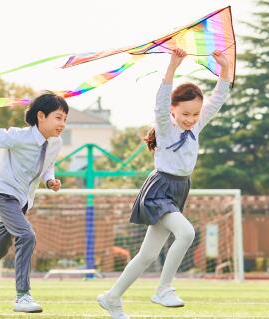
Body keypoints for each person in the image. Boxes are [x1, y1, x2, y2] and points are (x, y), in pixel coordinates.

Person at [97, 48, 231, 319]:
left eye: (195, 114)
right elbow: (160, 100)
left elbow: (217, 99)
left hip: (179, 189)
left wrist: (225, 69)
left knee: (147, 255)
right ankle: (164, 288)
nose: (190, 119)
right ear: (173, 110)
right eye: (185, 114)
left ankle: (111, 297)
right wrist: (173, 65)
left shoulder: (196, 126)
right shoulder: (165, 125)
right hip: (159, 189)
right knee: (186, 233)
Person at [0, 92, 68, 316]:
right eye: (58, 117)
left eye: (65, 119)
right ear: (40, 116)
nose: (62, 123)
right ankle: (22, 295)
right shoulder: (18, 136)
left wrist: (49, 180)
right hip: (4, 192)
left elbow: (47, 163)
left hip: (23, 200)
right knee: (27, 235)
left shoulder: (56, 143)